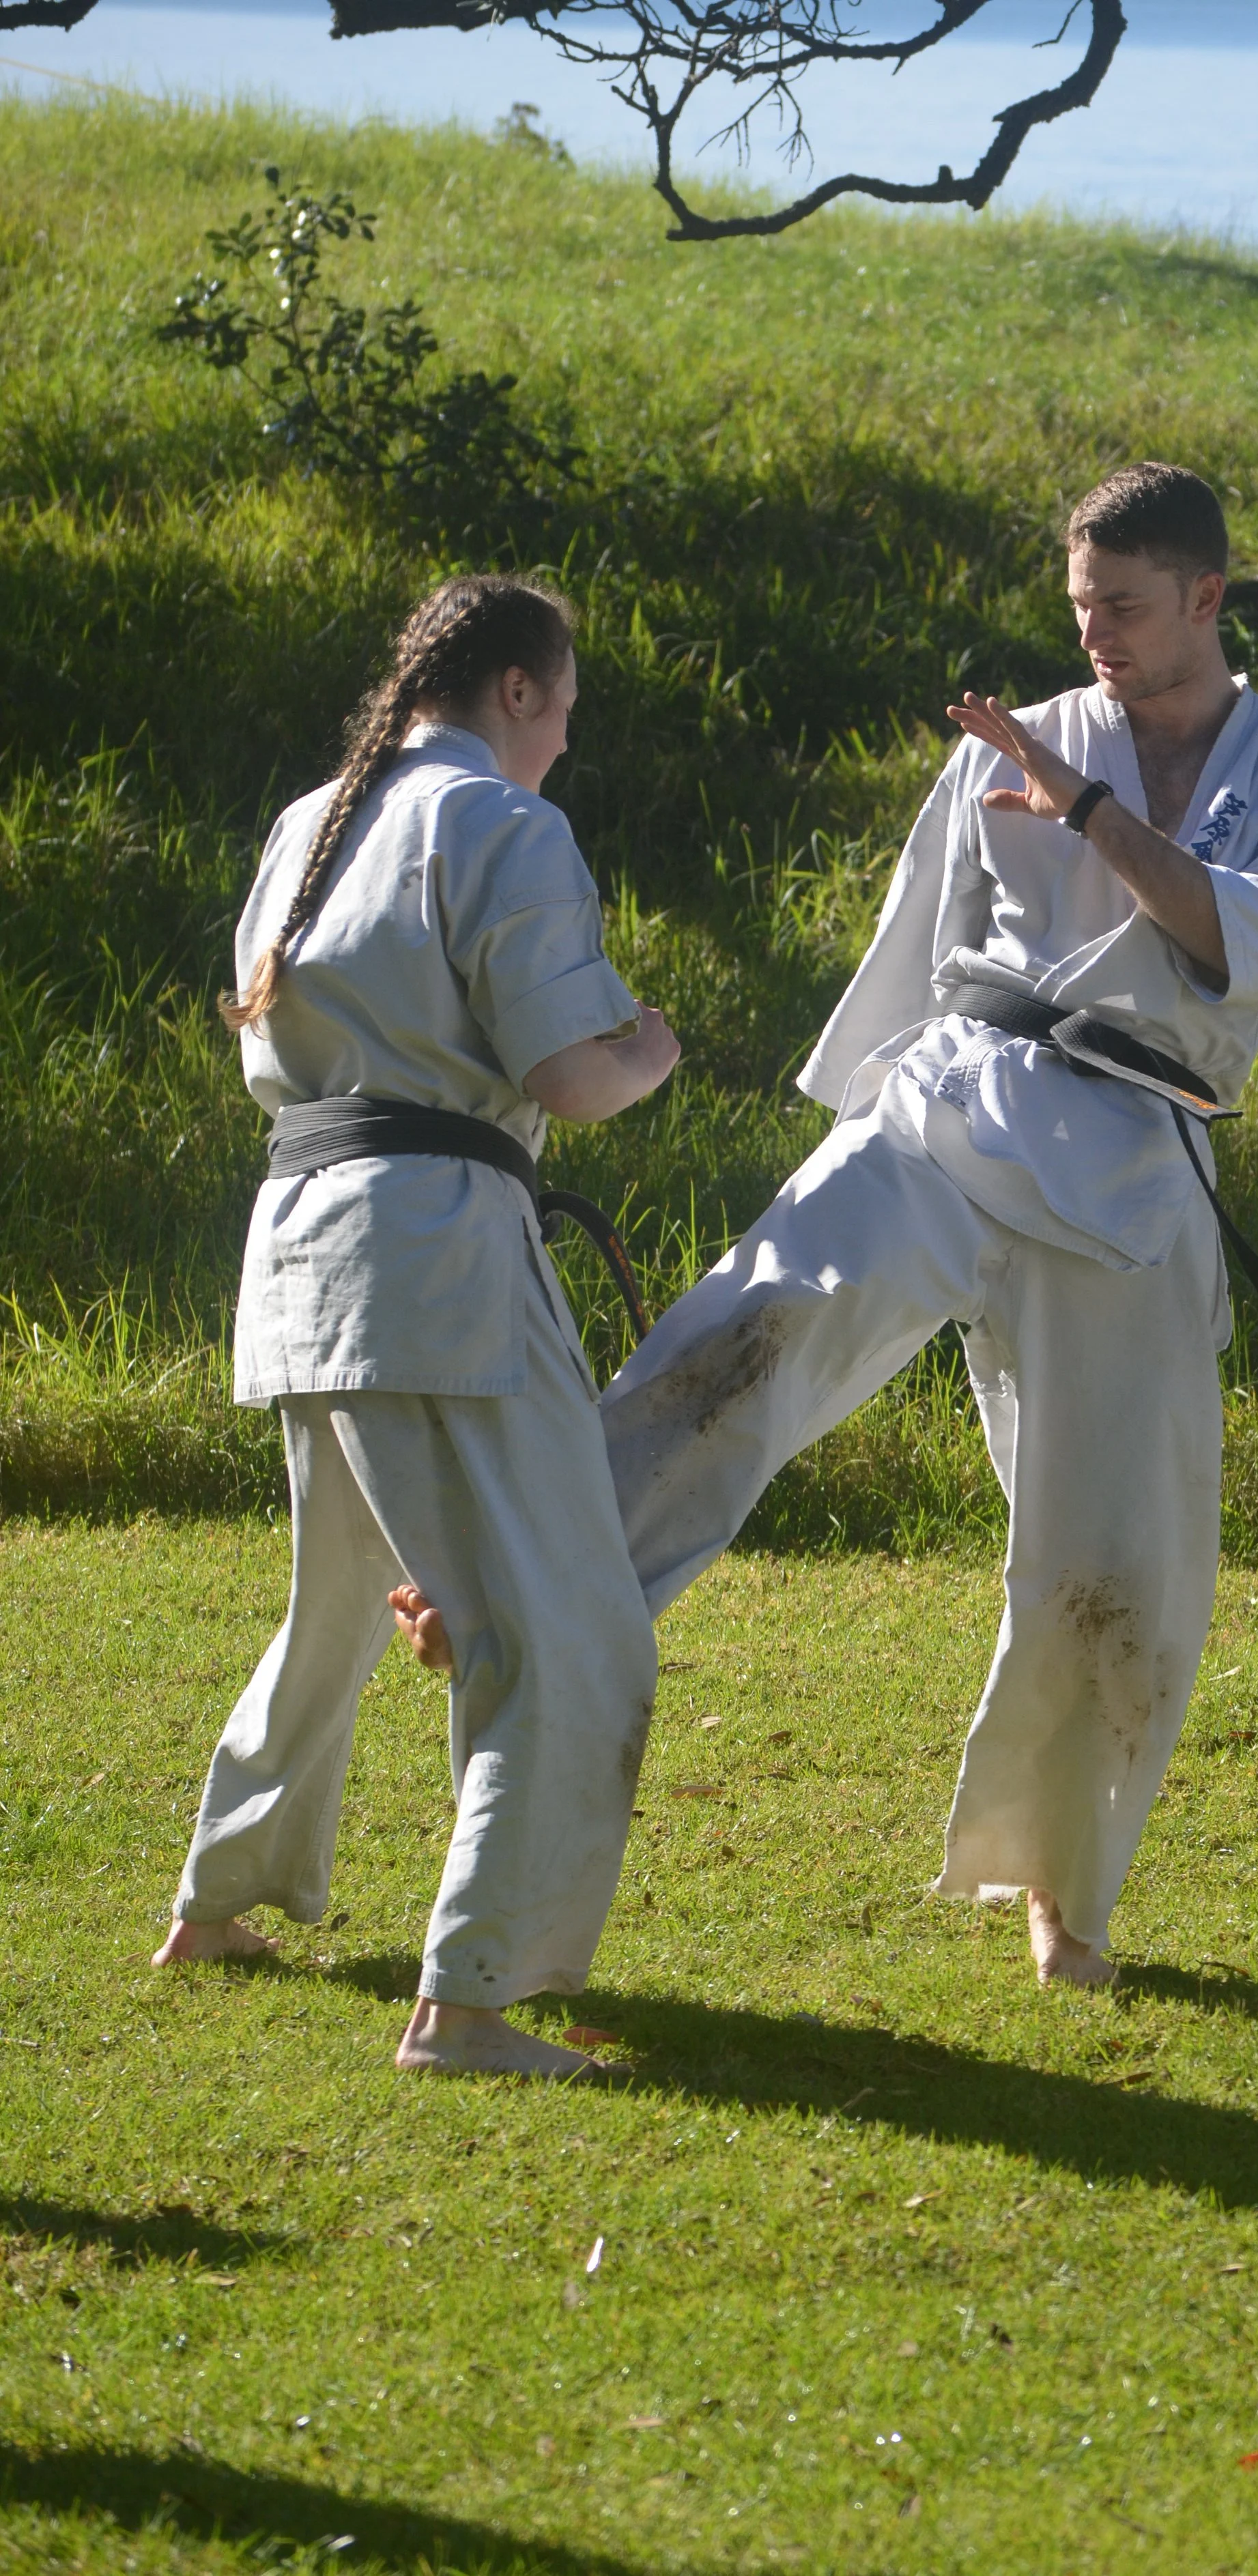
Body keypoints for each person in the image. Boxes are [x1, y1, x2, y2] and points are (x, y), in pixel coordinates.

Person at [400, 465, 1258, 1990]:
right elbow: (921, 938)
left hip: (1133, 1161)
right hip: (958, 1098)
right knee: (748, 1329)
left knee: (1116, 1546)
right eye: (1081, 606)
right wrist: (857, 1128)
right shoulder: (1023, 734)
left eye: (1126, 606)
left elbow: (1234, 936)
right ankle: (517, 1583)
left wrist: (1090, 815)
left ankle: (1062, 1891)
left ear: (1207, 597)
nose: (1097, 635)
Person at [154, 573, 679, 2079]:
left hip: (302, 1245)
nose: (564, 740)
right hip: (436, 1256)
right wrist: (653, 1049)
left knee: (335, 1599)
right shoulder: (502, 823)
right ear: (517, 689)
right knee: (561, 1630)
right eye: (563, 709)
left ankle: (217, 1904)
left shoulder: (311, 820)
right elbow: (571, 1074)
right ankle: (468, 2001)